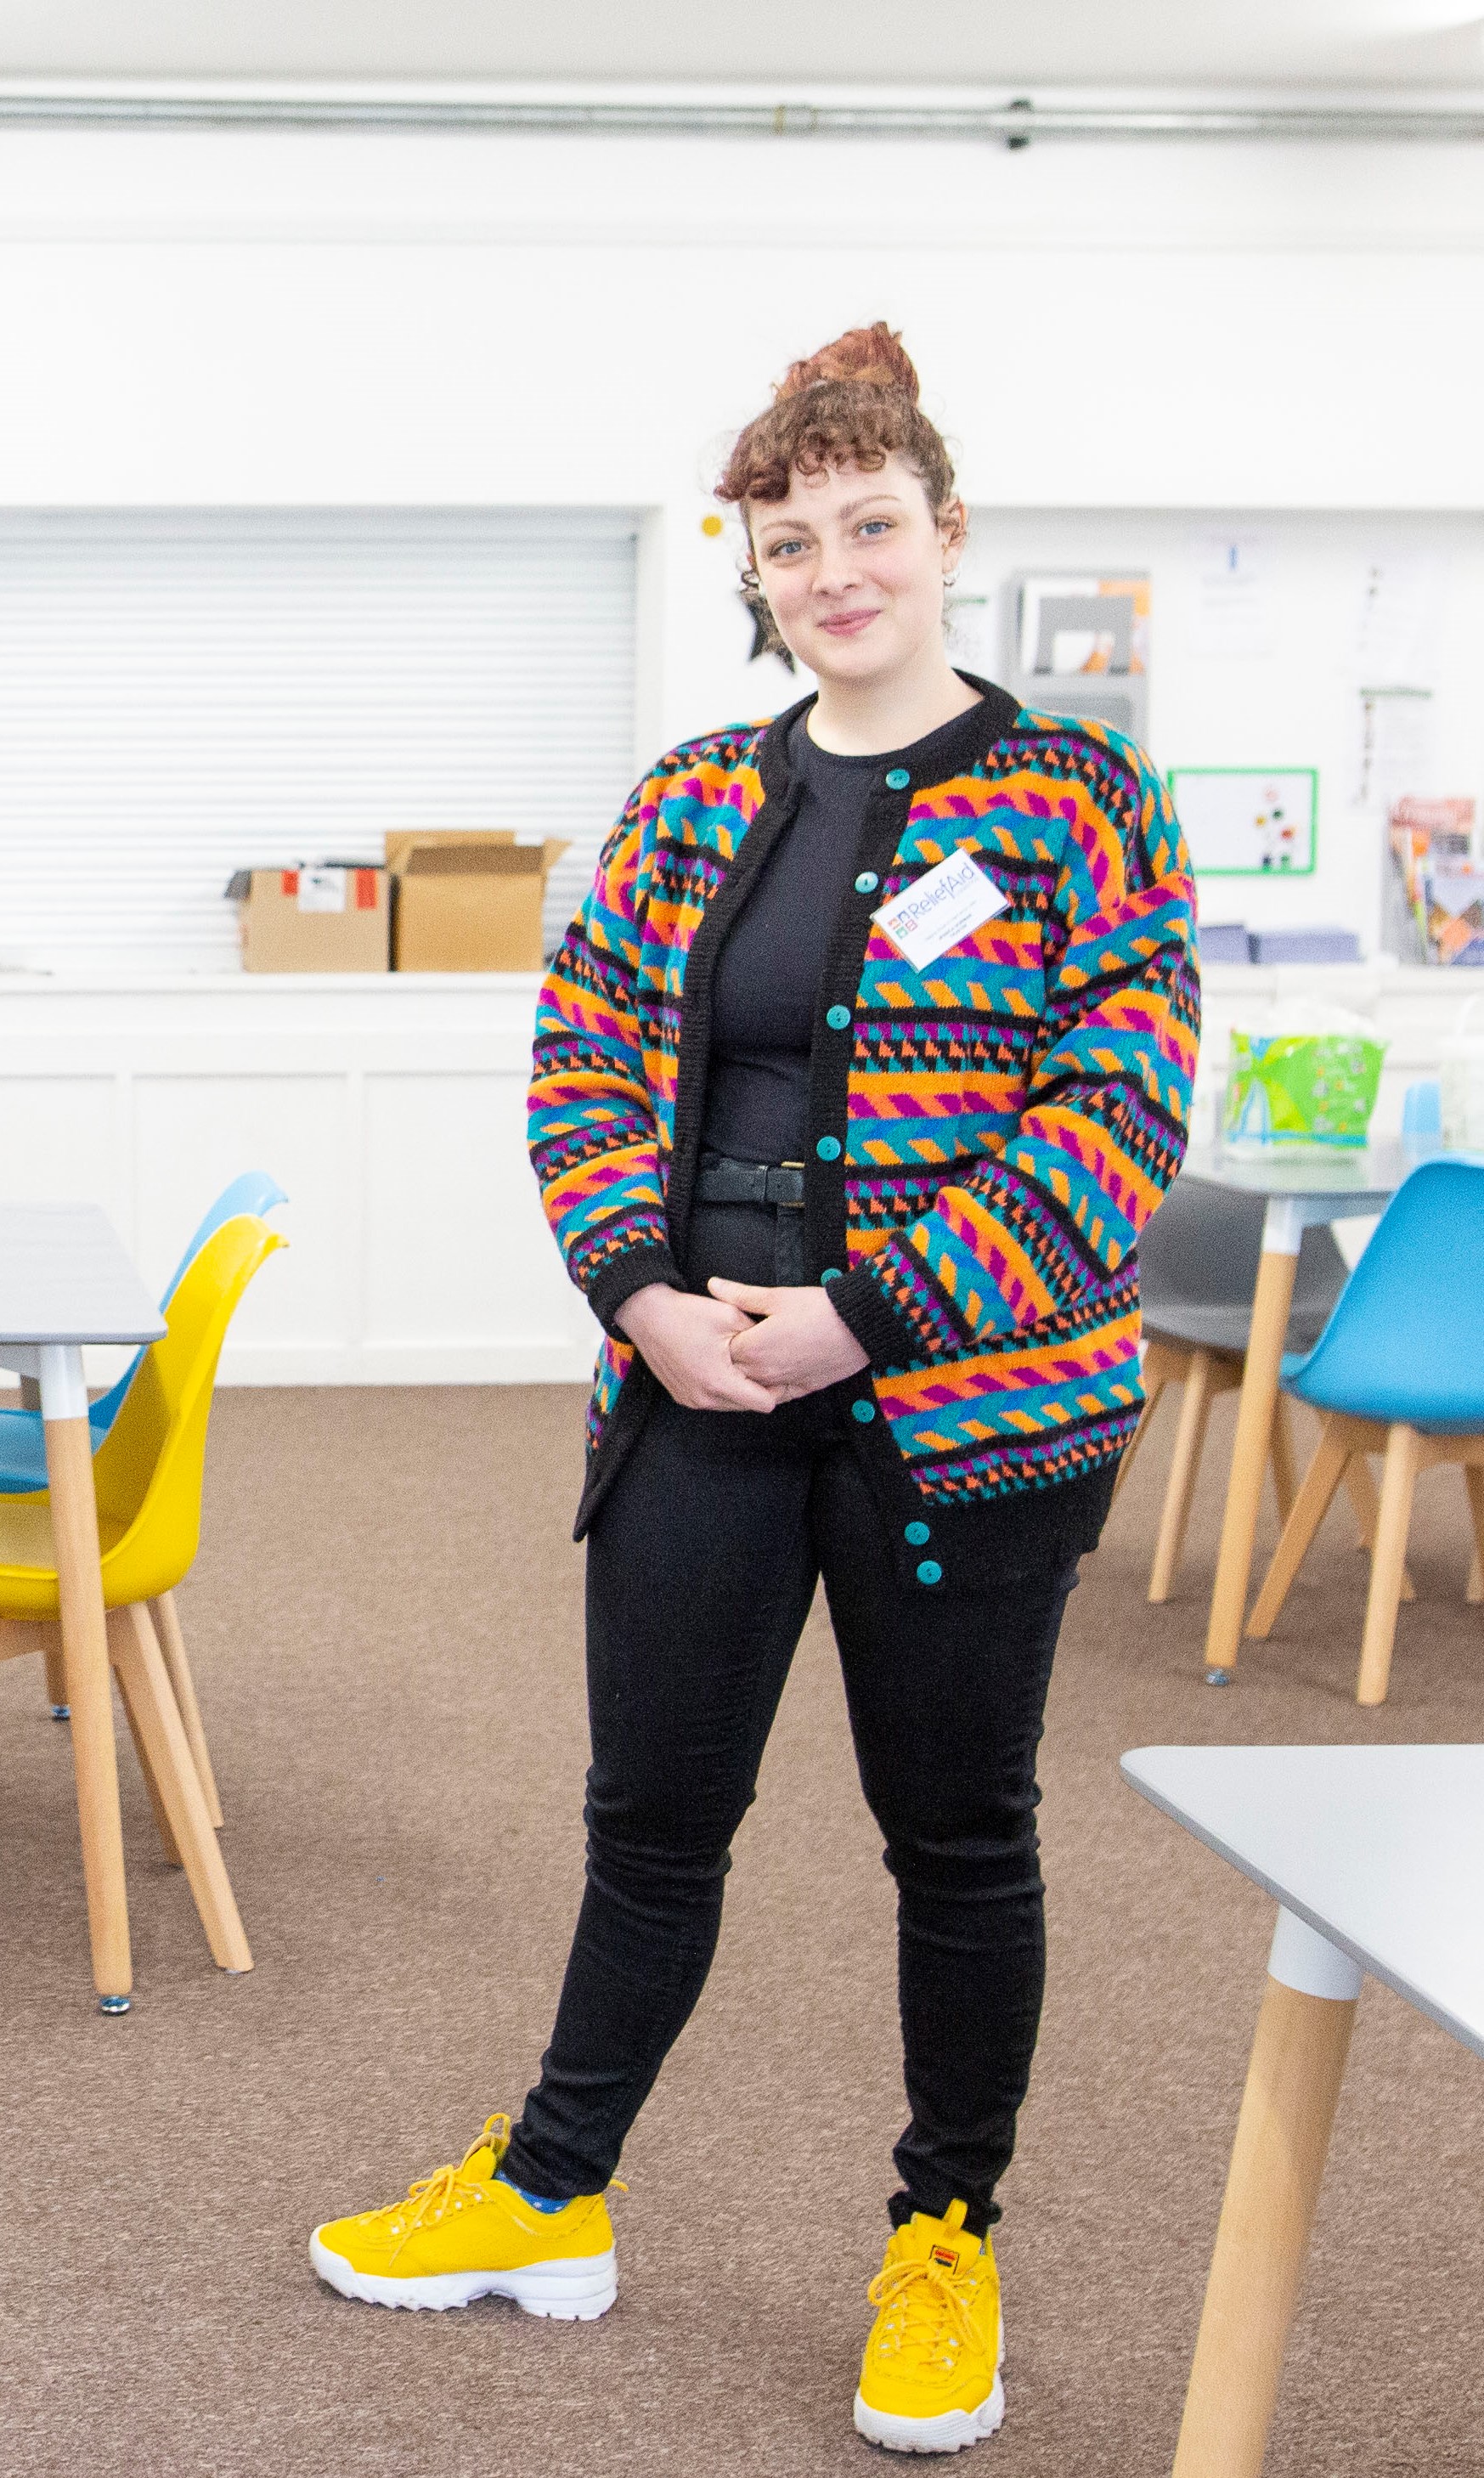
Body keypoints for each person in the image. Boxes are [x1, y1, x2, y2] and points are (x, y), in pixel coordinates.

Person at [304, 325, 1197, 2457]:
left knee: (957, 1837)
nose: (830, 569)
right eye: (788, 541)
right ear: (756, 567)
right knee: (649, 1822)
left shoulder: (1077, 796)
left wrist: (864, 1314)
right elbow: (581, 1054)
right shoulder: (695, 794)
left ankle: (942, 2235)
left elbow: (1119, 1106)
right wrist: (635, 1289)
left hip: (962, 1424)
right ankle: (546, 2192)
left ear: (943, 531)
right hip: (694, 1391)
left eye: (865, 525)